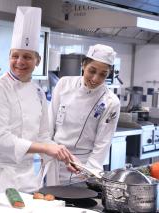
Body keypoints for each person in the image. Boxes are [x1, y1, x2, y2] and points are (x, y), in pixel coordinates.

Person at [0, 6, 77, 195]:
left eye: (27, 57)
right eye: (15, 56)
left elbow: (42, 135)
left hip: (27, 177)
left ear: (37, 61)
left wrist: (63, 155)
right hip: (0, 176)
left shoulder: (38, 92)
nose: (20, 62)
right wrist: (46, 148)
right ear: (8, 57)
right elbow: (0, 139)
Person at [46, 44, 120, 184]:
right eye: (92, 71)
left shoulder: (110, 102)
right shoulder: (64, 84)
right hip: (54, 161)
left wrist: (88, 172)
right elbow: (50, 123)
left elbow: (102, 143)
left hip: (81, 168)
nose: (95, 79)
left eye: (103, 74)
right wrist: (48, 151)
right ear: (83, 65)